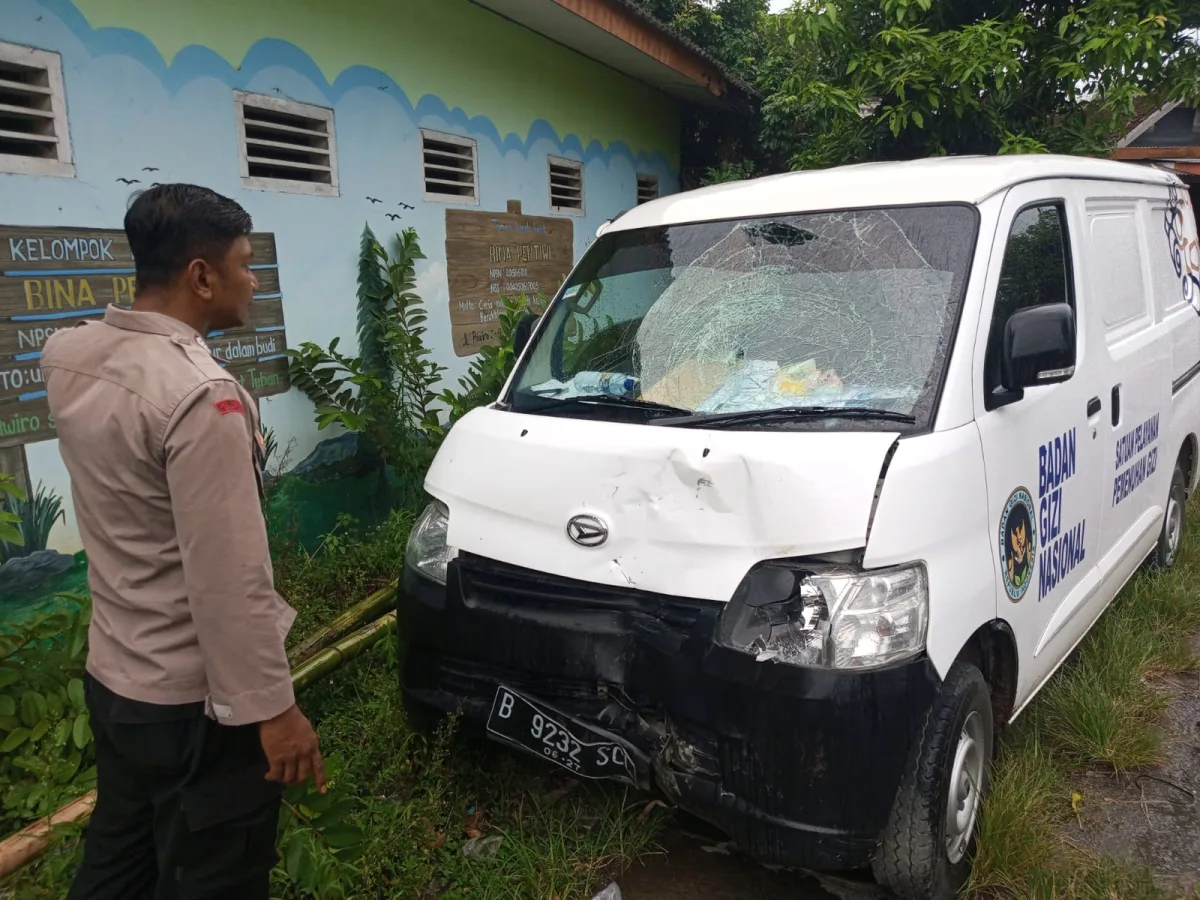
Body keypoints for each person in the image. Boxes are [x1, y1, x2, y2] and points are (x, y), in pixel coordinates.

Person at [42, 184, 324, 900]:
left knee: (119, 861)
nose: (253, 279)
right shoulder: (202, 398)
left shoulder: (70, 356)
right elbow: (228, 583)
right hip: (192, 710)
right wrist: (275, 712)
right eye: (242, 262)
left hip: (116, 682)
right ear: (201, 276)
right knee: (214, 875)